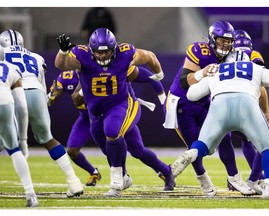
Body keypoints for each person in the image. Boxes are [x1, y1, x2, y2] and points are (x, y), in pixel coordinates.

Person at [54, 27, 174, 197]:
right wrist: (63, 51)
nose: (103, 56)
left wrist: (159, 75)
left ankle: (117, 180)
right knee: (135, 150)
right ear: (91, 50)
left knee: (112, 132)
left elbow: (149, 59)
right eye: (99, 53)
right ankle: (165, 172)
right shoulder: (83, 58)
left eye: (107, 52)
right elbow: (61, 64)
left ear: (114, 49)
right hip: (95, 112)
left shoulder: (124, 56)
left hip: (122, 105)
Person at [172, 50, 269, 199]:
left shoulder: (216, 69)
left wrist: (205, 77)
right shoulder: (254, 68)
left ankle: (193, 152)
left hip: (219, 106)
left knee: (203, 144)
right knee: (267, 147)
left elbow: (191, 95)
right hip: (247, 104)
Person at [163, 20, 253, 196]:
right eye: (221, 40)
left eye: (228, 41)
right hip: (182, 102)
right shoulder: (199, 50)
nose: (225, 45)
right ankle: (203, 180)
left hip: (205, 101)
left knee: (224, 136)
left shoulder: (232, 57)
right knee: (194, 147)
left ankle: (235, 179)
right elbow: (184, 80)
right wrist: (202, 73)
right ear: (212, 39)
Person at [0, 29, 84, 198]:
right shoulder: (37, 57)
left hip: (12, 93)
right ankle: (74, 182)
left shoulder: (3, 55)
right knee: (47, 139)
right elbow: (41, 83)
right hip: (37, 93)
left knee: (5, 139)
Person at [232, 29, 269, 194]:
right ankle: (255, 179)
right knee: (265, 143)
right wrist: (267, 110)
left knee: (239, 139)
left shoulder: (224, 58)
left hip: (222, 105)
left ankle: (233, 176)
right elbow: (260, 84)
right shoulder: (253, 54)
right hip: (246, 105)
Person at [0, 45, 38, 207]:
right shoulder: (11, 68)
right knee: (14, 150)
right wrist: (23, 139)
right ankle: (30, 194)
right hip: (4, 102)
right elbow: (22, 106)